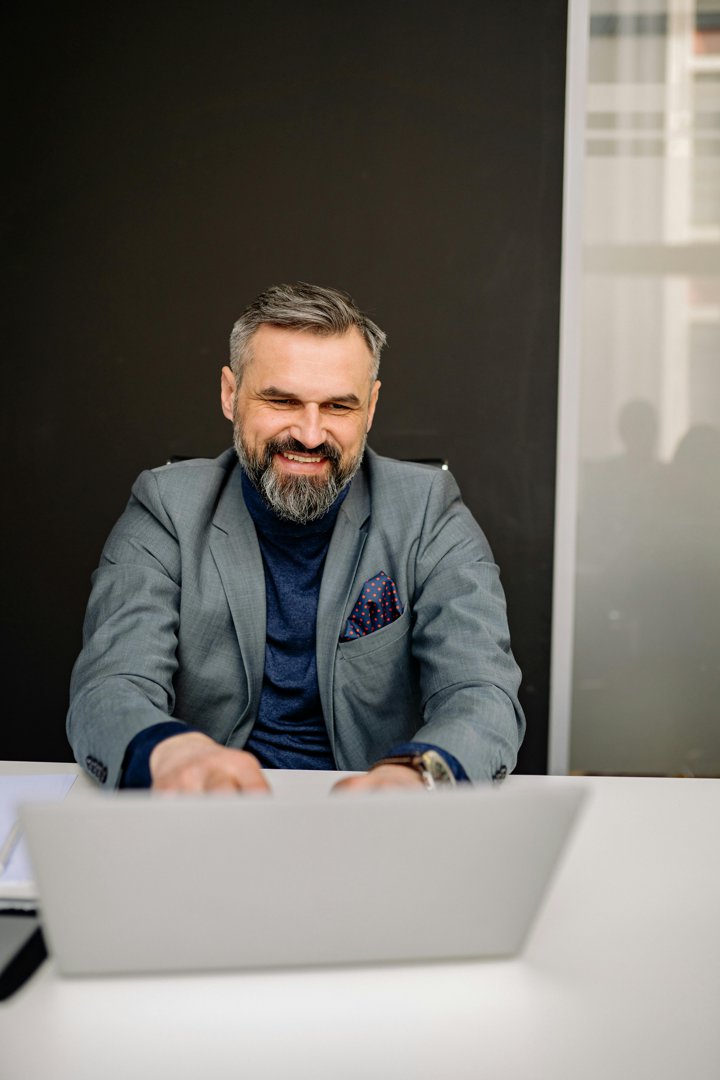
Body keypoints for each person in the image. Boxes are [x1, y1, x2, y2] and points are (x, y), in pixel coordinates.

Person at [67, 282, 524, 793]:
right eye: (281, 400)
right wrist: (171, 754)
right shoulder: (165, 508)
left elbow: (481, 692)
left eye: (337, 407)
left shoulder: (427, 512)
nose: (309, 434)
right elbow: (110, 686)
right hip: (207, 812)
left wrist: (420, 777)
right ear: (230, 394)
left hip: (377, 819)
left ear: (370, 408)